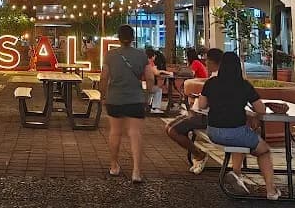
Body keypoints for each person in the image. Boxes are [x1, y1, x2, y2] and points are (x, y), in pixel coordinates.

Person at [199, 51, 280, 200]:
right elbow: (261, 110)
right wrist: (252, 114)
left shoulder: (211, 83)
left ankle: (236, 173)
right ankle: (271, 189)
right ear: (238, 67)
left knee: (242, 137)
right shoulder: (243, 85)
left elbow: (202, 105)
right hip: (236, 131)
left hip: (213, 131)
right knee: (264, 150)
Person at [165, 48, 247, 186]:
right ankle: (235, 171)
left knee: (171, 129)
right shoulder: (239, 83)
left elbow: (203, 104)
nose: (205, 63)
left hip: (210, 118)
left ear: (215, 63)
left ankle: (199, 154)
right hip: (225, 121)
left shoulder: (215, 80)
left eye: (207, 61)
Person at [101, 24, 154, 184]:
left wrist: (103, 95)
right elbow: (150, 78)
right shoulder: (141, 55)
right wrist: (147, 95)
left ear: (118, 38)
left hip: (115, 99)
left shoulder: (110, 55)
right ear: (133, 38)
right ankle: (136, 171)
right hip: (135, 99)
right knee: (135, 134)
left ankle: (114, 165)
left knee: (115, 132)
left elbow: (104, 77)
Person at [145, 48, 170, 114]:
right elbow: (156, 72)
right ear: (152, 56)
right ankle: (155, 108)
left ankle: (146, 106)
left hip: (141, 85)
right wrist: (167, 72)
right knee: (158, 90)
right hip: (147, 85)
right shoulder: (150, 62)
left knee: (151, 90)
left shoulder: (142, 61)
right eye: (154, 56)